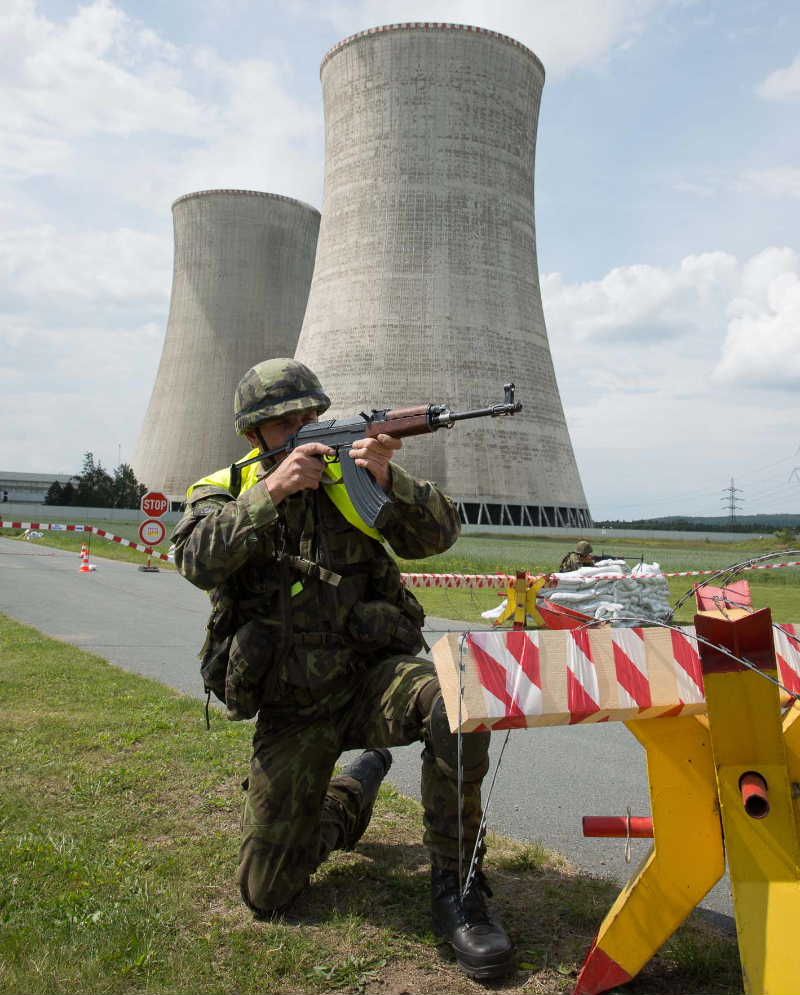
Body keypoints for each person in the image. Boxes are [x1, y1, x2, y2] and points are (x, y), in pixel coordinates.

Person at [172, 359, 515, 980]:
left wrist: (388, 478)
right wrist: (271, 494)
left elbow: (438, 537)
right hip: (292, 706)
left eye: (311, 417)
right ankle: (351, 793)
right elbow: (194, 560)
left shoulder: (353, 480)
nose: (304, 429)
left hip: (371, 682)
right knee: (267, 892)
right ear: (255, 434)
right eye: (286, 423)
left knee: (454, 698)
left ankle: (458, 886)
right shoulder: (223, 488)